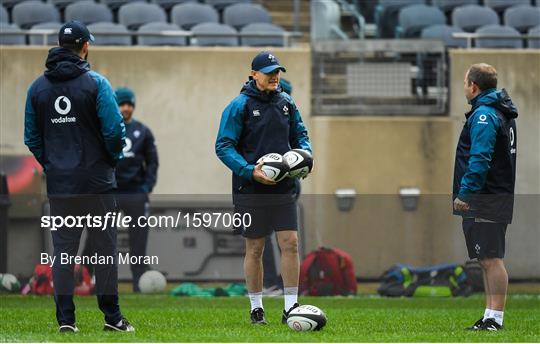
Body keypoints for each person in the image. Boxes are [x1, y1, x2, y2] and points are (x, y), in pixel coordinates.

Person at [24, 21, 134, 333]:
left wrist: (53, 165)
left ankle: (66, 321)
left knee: (62, 253)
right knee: (105, 252)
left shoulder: (37, 88)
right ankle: (112, 318)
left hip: (61, 186)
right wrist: (109, 161)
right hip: (97, 183)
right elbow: (114, 131)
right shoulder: (96, 83)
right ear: (85, 46)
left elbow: (32, 138)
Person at [215, 51, 312, 325]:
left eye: (277, 71)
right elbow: (223, 146)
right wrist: (250, 172)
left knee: (290, 243)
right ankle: (256, 307)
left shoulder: (287, 103)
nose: (274, 76)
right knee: (255, 248)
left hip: (283, 189)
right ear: (253, 74)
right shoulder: (238, 106)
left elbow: (301, 136)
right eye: (268, 72)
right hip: (251, 189)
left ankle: (291, 306)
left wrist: (305, 157)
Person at [453, 63, 517, 331]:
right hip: (494, 195)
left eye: (465, 82)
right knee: (486, 258)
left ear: (473, 86)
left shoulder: (484, 115)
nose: (464, 86)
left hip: (486, 197)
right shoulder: (497, 112)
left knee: (491, 258)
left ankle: (495, 318)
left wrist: (466, 193)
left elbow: (479, 158)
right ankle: (490, 316)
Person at [114, 87, 159, 292]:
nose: (126, 108)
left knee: (139, 239)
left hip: (135, 193)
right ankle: (93, 279)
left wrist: (146, 188)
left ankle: (138, 282)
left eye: (129, 104)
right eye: (122, 104)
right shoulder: (107, 129)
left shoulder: (143, 131)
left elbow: (152, 163)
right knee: (100, 236)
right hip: (111, 193)